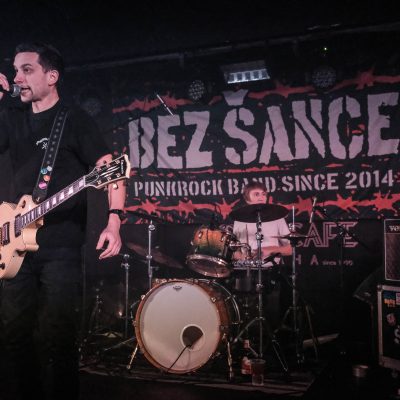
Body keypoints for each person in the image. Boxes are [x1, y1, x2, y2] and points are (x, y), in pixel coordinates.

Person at [0, 42, 126, 400]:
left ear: (52, 76)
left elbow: (112, 170)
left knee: (58, 335)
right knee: (14, 334)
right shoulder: (11, 117)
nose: (17, 77)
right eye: (15, 70)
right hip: (14, 245)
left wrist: (114, 221)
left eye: (27, 70)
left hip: (60, 248)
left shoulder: (75, 120)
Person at [231, 181, 292, 331]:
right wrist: (241, 257)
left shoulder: (277, 218)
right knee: (244, 313)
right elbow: (235, 251)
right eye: (256, 194)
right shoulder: (239, 219)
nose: (261, 197)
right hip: (246, 271)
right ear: (247, 198)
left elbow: (290, 249)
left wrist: (270, 250)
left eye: (264, 194)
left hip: (271, 271)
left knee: (271, 315)